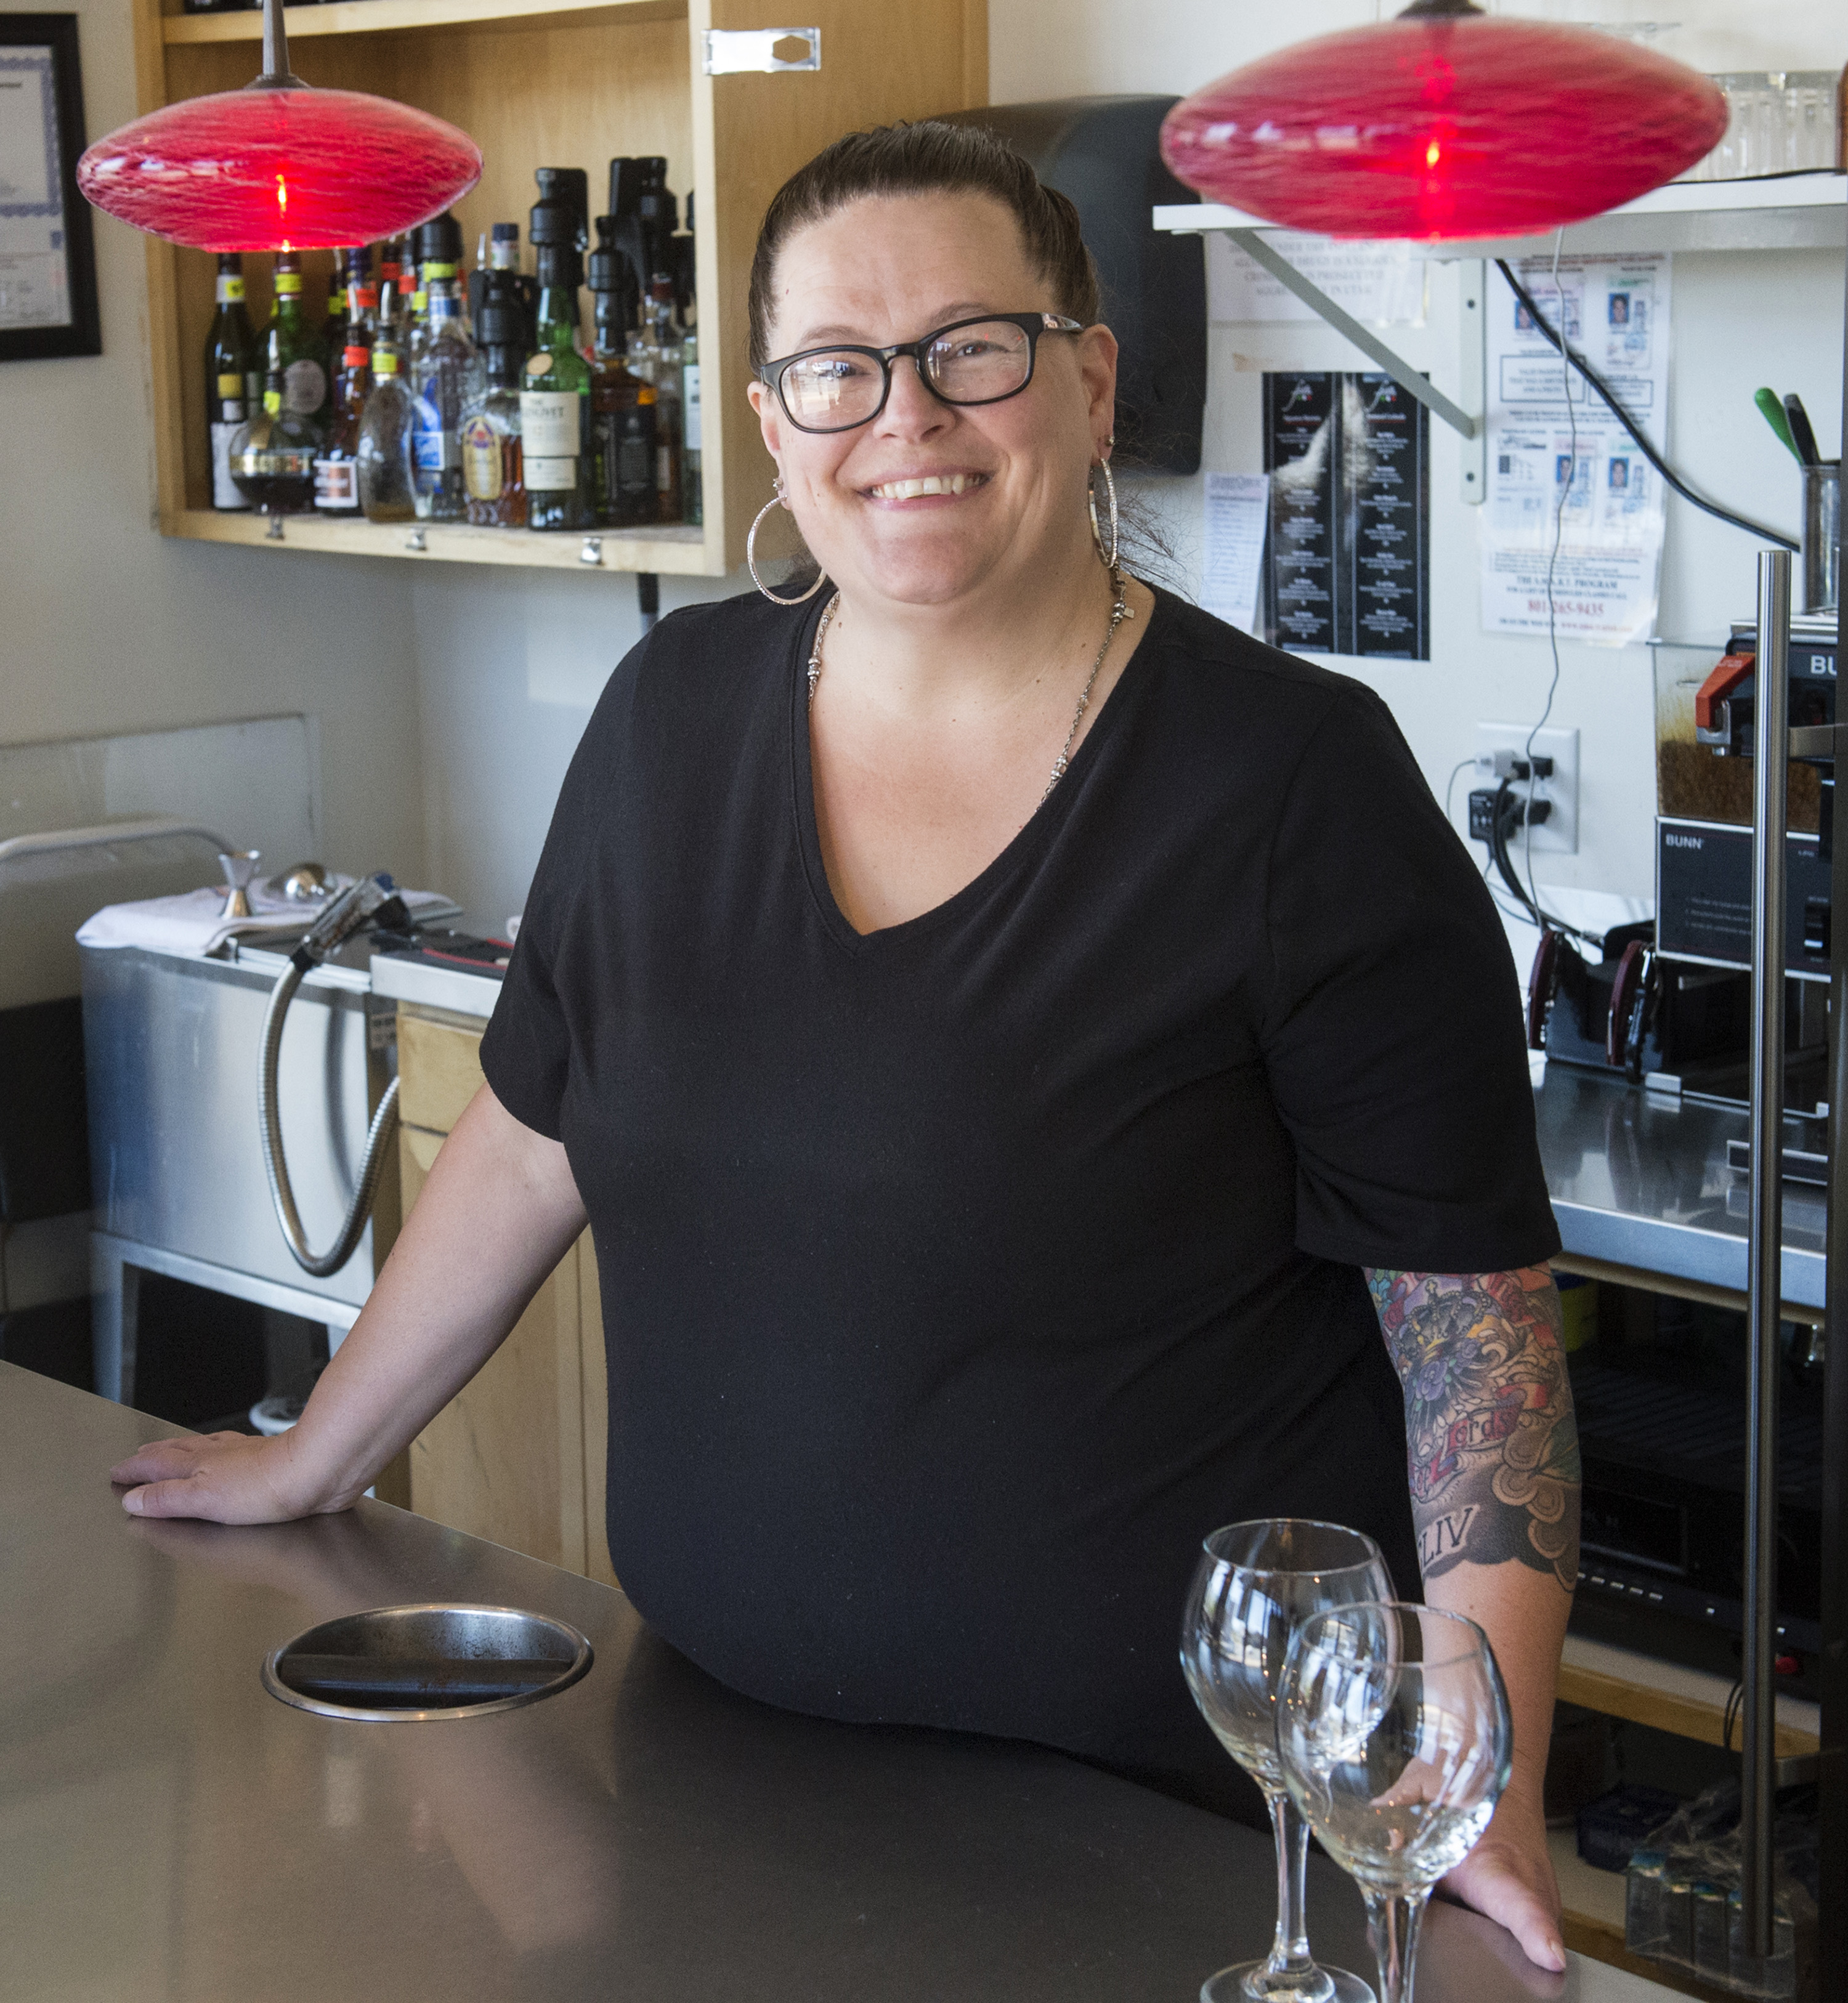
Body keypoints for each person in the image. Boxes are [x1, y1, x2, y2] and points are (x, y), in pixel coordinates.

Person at [110, 123, 1576, 1970]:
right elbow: (537, 1123)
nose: (908, 418)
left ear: (1089, 371)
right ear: (770, 415)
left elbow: (1474, 1333)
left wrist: (1482, 1766)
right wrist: (320, 1450)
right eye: (838, 368)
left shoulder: (1292, 783)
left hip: (1165, 1834)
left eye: (976, 345)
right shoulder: (668, 720)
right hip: (718, 1759)